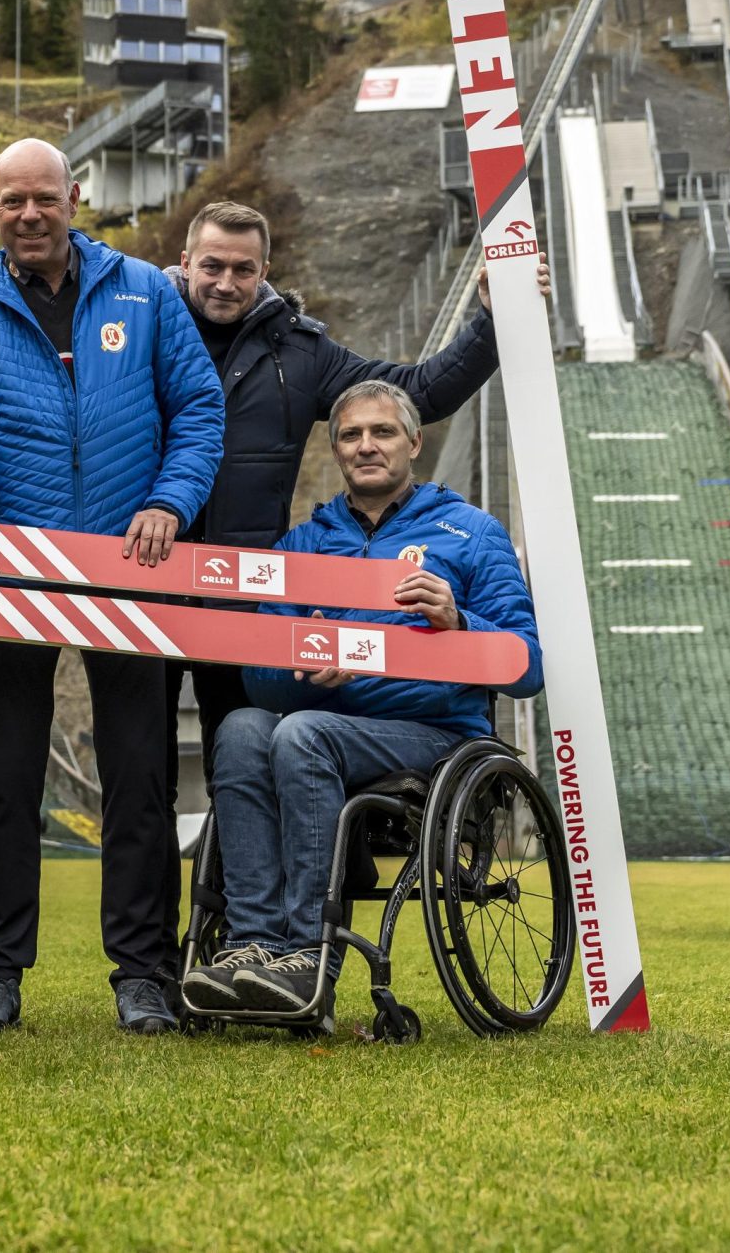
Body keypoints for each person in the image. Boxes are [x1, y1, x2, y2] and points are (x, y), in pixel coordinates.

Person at [0, 137, 225, 1036]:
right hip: (14, 579)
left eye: (42, 198)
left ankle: (142, 971)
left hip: (129, 574)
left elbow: (199, 412)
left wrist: (171, 500)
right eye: (11, 200)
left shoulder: (146, 292)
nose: (28, 214)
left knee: (138, 779)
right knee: (5, 781)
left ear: (73, 196)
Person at [184, 379, 543, 1016]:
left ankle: (306, 954)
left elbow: (526, 665)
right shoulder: (304, 544)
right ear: (337, 451)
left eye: (381, 432)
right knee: (241, 726)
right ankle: (250, 945)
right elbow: (259, 680)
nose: (366, 446)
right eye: (351, 435)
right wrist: (301, 661)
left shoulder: (471, 533)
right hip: (323, 730)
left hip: (433, 736)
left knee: (302, 734)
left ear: (414, 441)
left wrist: (460, 624)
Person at [168, 200, 525, 779]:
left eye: (244, 269)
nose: (227, 283)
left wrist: (488, 321)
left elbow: (416, 393)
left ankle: (257, 874)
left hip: (239, 591)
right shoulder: (138, 330)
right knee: (137, 779)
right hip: (137, 577)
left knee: (235, 758)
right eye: (212, 266)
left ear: (265, 271)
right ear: (185, 263)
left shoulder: (299, 352)